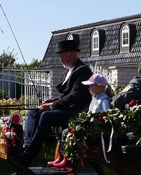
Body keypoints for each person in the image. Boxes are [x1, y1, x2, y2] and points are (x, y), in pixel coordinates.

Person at [21, 34, 92, 166]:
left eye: (62, 56)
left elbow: (75, 96)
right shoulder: (71, 70)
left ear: (71, 55)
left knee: (46, 116)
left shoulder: (82, 71)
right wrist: (52, 101)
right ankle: (27, 145)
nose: (60, 59)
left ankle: (30, 155)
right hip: (68, 108)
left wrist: (53, 105)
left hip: (76, 112)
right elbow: (67, 95)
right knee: (33, 112)